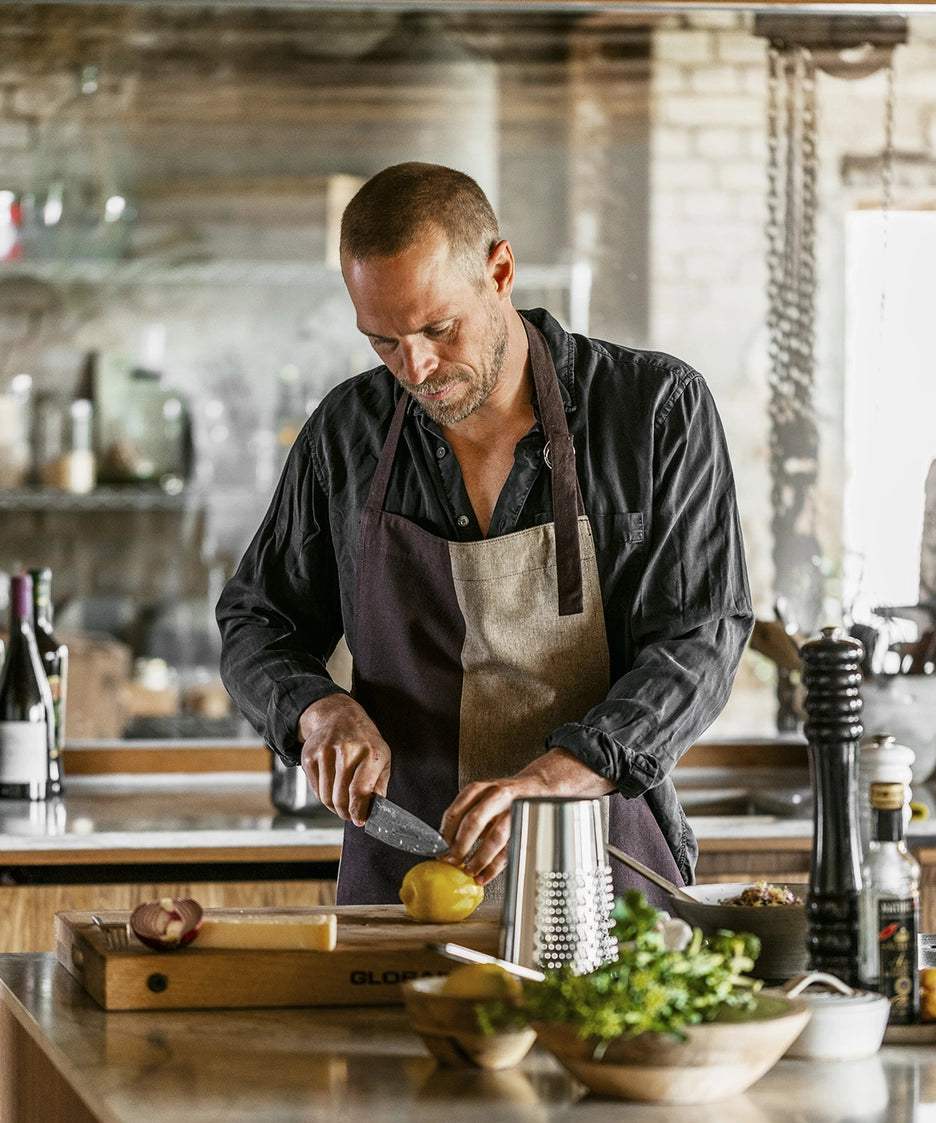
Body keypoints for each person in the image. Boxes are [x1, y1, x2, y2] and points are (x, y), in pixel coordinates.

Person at [217, 161, 754, 905]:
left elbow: (701, 637)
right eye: (384, 342)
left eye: (438, 328)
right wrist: (317, 709)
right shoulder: (346, 435)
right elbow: (256, 621)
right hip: (407, 882)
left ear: (499, 270)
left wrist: (557, 779)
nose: (417, 367)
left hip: (605, 869)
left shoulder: (655, 412)